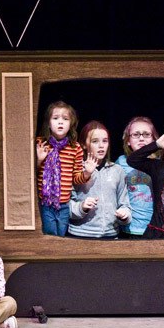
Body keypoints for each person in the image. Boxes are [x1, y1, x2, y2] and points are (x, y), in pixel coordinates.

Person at [36, 100, 92, 236]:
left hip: (64, 204)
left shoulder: (75, 147)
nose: (60, 122)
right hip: (46, 203)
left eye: (65, 119)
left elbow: (76, 179)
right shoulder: (41, 143)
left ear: (71, 124)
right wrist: (39, 160)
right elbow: (29, 175)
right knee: (50, 236)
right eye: (55, 118)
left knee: (61, 237)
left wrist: (87, 173)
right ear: (48, 123)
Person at [69, 121, 132, 238]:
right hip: (81, 234)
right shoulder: (76, 170)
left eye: (105, 141)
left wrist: (124, 215)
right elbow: (65, 206)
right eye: (95, 141)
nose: (101, 145)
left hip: (110, 235)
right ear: (83, 144)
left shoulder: (117, 170)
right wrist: (81, 207)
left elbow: (125, 204)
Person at [115, 116, 159, 239]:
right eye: (136, 134)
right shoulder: (121, 162)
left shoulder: (159, 163)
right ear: (128, 141)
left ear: (154, 139)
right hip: (130, 228)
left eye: (146, 134)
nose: (141, 138)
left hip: (155, 227)